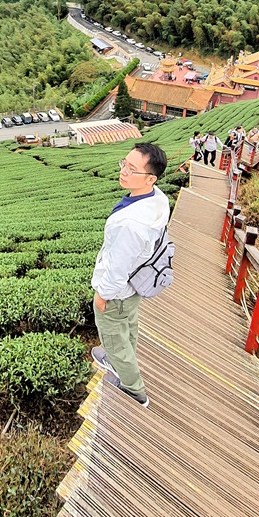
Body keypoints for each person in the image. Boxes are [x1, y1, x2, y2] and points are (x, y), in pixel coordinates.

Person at [91, 141, 170, 408]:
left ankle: (133, 389)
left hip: (119, 291)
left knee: (114, 336)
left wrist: (103, 296)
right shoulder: (158, 198)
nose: (124, 170)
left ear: (150, 178)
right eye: (124, 163)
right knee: (128, 326)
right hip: (135, 287)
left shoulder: (131, 224)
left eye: (132, 169)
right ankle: (120, 359)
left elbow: (117, 268)